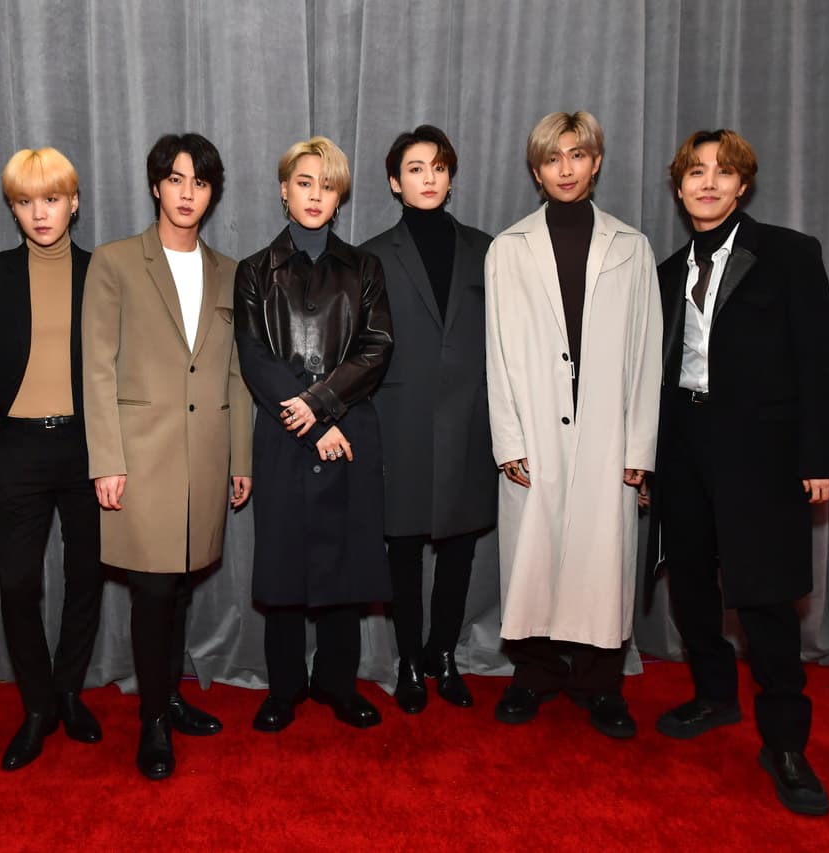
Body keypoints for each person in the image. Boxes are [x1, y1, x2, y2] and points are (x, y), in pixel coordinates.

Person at [649, 129, 829, 816]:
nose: (707, 183)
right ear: (679, 187)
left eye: (722, 172)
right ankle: (713, 695)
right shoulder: (668, 271)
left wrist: (821, 455)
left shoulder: (788, 254)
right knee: (694, 580)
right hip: (684, 446)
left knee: (764, 596)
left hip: (761, 453)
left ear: (742, 185)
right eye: (695, 172)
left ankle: (786, 744)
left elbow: (816, 359)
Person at [484, 110, 661, 738]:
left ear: (596, 162)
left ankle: (599, 683)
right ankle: (533, 674)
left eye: (578, 155)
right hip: (534, 430)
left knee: (603, 560)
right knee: (532, 559)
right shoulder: (507, 249)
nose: (566, 168)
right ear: (537, 170)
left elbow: (646, 354)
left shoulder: (632, 248)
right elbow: (496, 353)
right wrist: (508, 439)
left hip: (608, 436)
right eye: (553, 158)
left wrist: (639, 445)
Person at [82, 133, 252, 780]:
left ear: (212, 192)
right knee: (153, 591)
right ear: (156, 185)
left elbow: (236, 375)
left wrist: (242, 459)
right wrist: (105, 459)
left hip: (205, 459)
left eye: (200, 182)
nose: (187, 193)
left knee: (181, 589)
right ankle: (151, 719)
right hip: (140, 459)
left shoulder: (232, 272)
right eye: (176, 179)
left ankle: (173, 696)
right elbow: (96, 367)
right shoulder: (116, 262)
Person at [235, 136, 394, 733]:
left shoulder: (366, 267)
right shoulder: (254, 270)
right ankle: (284, 689)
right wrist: (309, 419)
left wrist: (324, 409)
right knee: (282, 568)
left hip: (351, 430)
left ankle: (337, 684)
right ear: (284, 189)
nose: (315, 195)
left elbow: (377, 349)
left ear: (339, 197)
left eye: (327, 185)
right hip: (283, 437)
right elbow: (254, 357)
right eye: (304, 182)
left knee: (345, 569)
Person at [0, 148, 104, 771]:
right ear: (13, 208)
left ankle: (70, 692)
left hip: (86, 446)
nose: (39, 213)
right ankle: (36, 706)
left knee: (86, 578)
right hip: (18, 449)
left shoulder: (104, 272)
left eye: (51, 199)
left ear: (73, 202)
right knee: (19, 584)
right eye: (25, 202)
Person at [361, 125, 495, 713]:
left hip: (470, 420)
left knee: (461, 547)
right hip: (400, 418)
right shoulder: (370, 255)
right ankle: (410, 660)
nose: (428, 178)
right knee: (404, 549)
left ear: (450, 175)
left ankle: (445, 655)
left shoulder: (487, 249)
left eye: (438, 167)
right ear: (395, 182)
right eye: (414, 169)